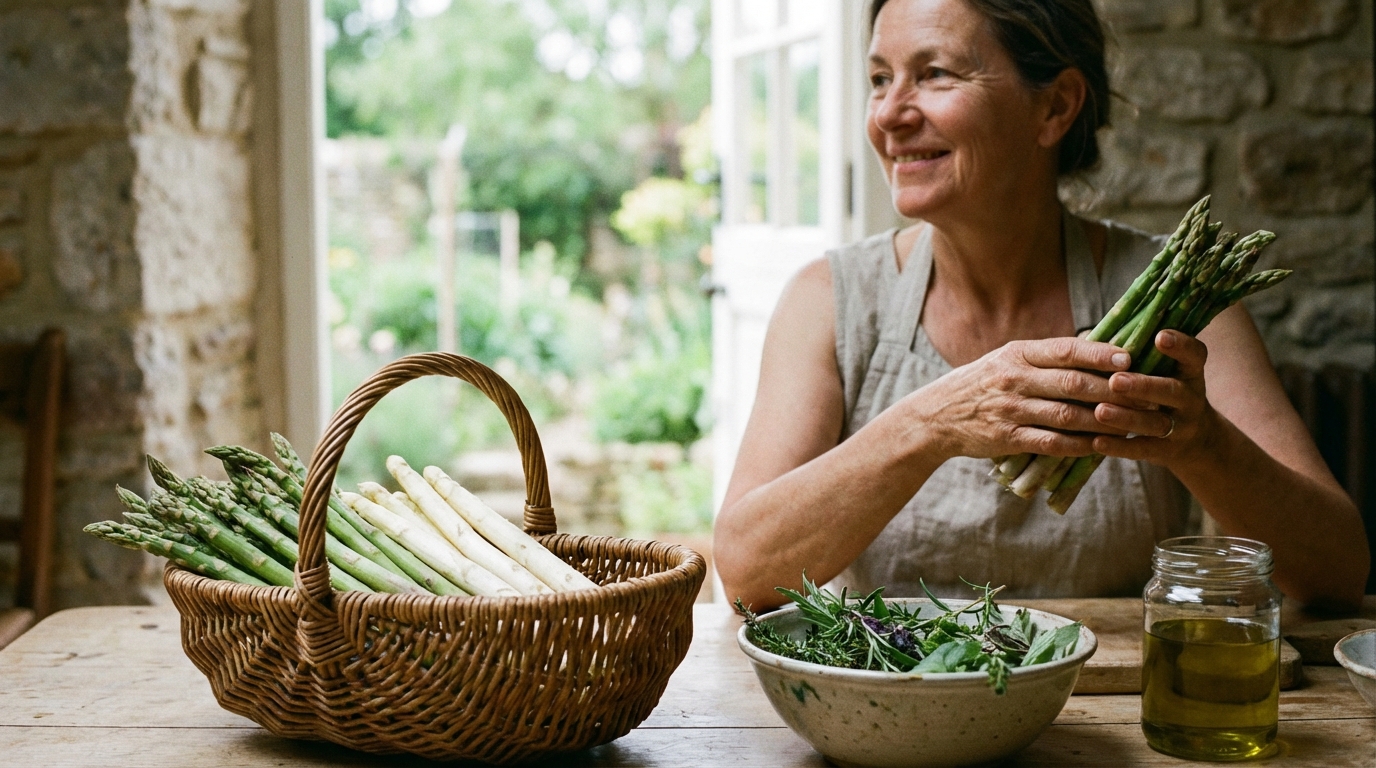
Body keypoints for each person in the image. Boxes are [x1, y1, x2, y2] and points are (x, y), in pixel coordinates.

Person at [713, 0, 1369, 611]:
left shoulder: (1184, 302)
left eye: (935, 75)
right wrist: (931, 424)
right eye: (881, 79)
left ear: (1055, 107)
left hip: (1111, 713)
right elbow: (744, 576)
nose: (888, 114)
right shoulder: (830, 300)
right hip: (890, 717)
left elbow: (1336, 574)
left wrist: (1203, 445)